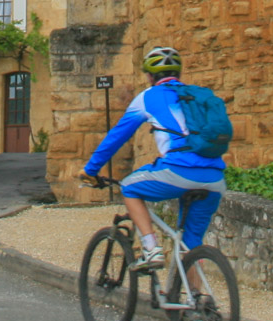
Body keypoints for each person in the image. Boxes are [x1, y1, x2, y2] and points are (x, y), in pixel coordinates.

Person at [81, 46, 225, 272]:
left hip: (178, 171)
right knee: (190, 244)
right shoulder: (196, 95)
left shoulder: (147, 97)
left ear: (149, 76)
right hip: (215, 177)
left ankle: (151, 249)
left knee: (129, 187)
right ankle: (197, 299)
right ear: (178, 73)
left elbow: (117, 136)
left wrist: (90, 170)